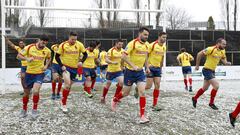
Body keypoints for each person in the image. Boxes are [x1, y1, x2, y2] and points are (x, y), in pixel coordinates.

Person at [111, 27, 150, 124]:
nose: (146, 36)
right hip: (130, 72)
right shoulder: (132, 43)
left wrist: (147, 67)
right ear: (140, 34)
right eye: (145, 34)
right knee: (125, 93)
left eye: (147, 35)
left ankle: (142, 116)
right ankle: (115, 99)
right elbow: (123, 56)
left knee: (142, 92)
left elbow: (145, 56)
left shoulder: (147, 45)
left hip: (140, 72)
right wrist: (133, 65)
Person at [17, 35, 51, 119]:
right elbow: (18, 56)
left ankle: (34, 110)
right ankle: (24, 110)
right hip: (29, 73)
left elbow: (49, 58)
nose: (44, 44)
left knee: (36, 91)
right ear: (39, 40)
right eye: (43, 41)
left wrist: (46, 65)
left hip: (39, 73)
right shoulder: (29, 47)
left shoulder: (47, 50)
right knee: (26, 93)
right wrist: (26, 59)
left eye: (46, 43)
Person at [192, 38, 231, 110]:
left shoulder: (222, 51)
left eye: (225, 44)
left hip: (212, 71)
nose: (225, 45)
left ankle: (194, 98)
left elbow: (223, 60)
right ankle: (211, 103)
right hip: (206, 70)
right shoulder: (211, 49)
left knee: (205, 88)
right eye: (223, 44)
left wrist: (226, 63)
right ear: (218, 43)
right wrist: (197, 65)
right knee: (216, 85)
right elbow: (199, 54)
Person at [55, 32, 87, 113]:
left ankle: (63, 95)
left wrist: (81, 61)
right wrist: (61, 65)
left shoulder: (79, 44)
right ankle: (64, 103)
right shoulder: (63, 45)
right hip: (66, 67)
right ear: (69, 38)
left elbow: (85, 54)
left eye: (75, 39)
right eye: (72, 39)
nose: (74, 41)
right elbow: (57, 56)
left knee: (68, 86)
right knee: (68, 84)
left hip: (75, 68)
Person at [145, 32, 167, 111]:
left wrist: (160, 67)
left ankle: (154, 104)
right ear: (159, 37)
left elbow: (162, 57)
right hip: (150, 68)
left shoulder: (164, 47)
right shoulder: (152, 45)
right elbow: (146, 55)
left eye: (165, 38)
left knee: (157, 85)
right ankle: (139, 89)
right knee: (148, 86)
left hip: (157, 69)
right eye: (163, 37)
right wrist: (147, 66)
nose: (164, 39)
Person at [100, 39, 124, 104]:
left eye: (122, 44)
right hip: (110, 71)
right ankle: (103, 97)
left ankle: (115, 97)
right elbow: (106, 60)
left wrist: (122, 66)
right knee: (108, 84)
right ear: (116, 44)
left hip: (118, 70)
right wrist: (112, 62)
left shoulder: (123, 50)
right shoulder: (111, 50)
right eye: (119, 44)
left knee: (121, 82)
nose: (121, 46)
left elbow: (123, 59)